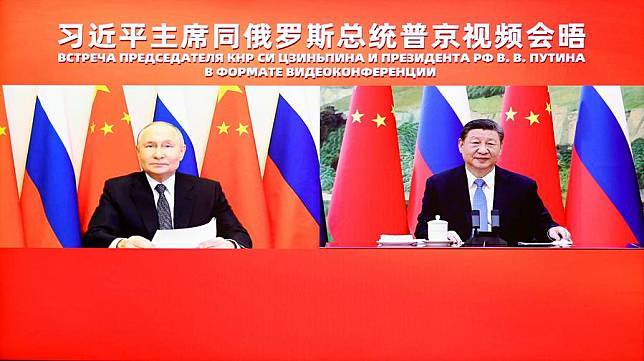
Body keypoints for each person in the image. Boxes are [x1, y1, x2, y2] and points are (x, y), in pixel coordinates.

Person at [83, 121, 251, 248]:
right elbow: (94, 236)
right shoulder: (118, 189)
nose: (158, 154)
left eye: (167, 146)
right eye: (150, 146)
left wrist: (229, 244)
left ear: (182, 151)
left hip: (195, 275)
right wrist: (122, 243)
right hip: (136, 276)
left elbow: (240, 237)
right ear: (138, 151)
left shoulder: (207, 190)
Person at [414, 119, 570, 246]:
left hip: (510, 265)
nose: (483, 150)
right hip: (456, 264)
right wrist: (441, 235)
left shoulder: (522, 186)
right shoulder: (440, 185)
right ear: (461, 145)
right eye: (475, 143)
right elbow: (422, 229)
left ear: (501, 148)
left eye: (490, 144)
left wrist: (552, 231)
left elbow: (542, 224)